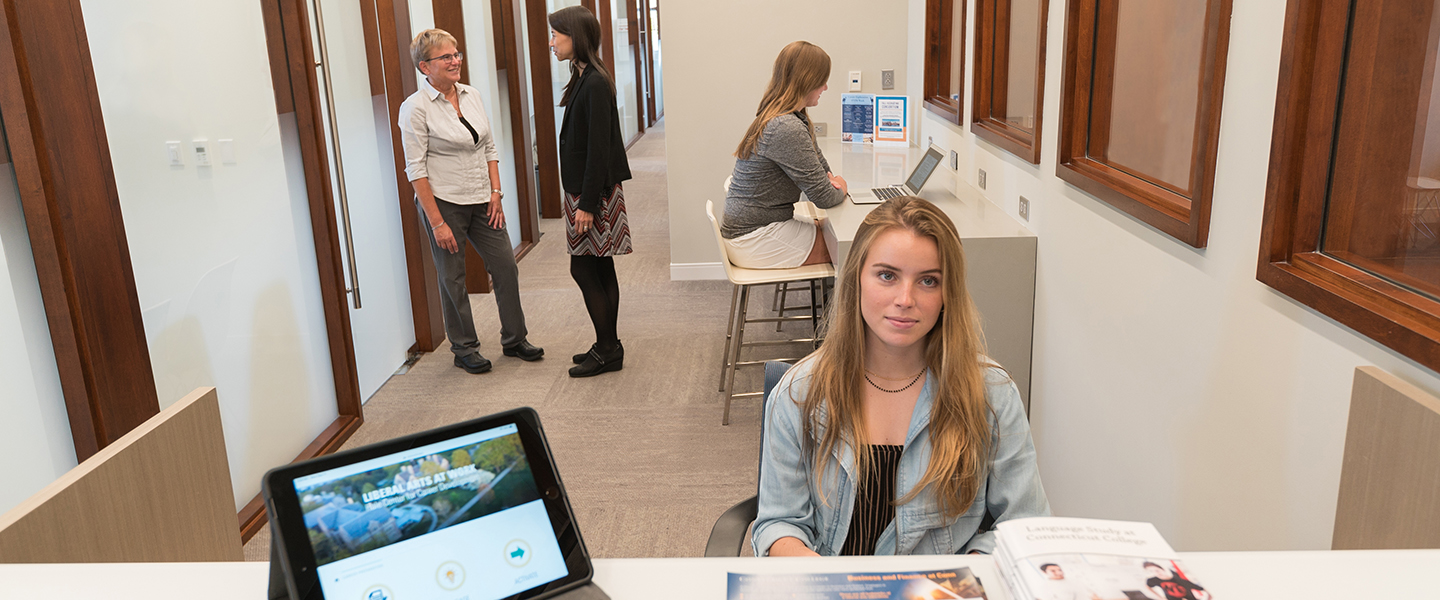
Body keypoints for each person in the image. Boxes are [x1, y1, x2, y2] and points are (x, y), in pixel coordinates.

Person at [752, 196, 1049, 556]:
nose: (905, 299)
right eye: (887, 275)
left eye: (928, 281)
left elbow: (1025, 525)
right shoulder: (800, 392)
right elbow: (779, 523)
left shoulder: (991, 394)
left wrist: (957, 581)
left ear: (947, 294)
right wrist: (824, 582)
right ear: (857, 278)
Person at [399, 29, 543, 374]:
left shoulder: (472, 95)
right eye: (445, 57)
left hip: (483, 199)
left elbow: (489, 147)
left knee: (505, 266)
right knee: (453, 277)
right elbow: (415, 170)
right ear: (424, 66)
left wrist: (496, 193)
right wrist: (437, 222)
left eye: (457, 54)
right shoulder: (415, 108)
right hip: (444, 202)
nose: (455, 61)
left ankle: (515, 338)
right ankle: (464, 348)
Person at [548, 6, 633, 378]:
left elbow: (599, 148)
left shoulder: (595, 82)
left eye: (556, 35)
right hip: (588, 190)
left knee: (583, 268)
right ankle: (606, 344)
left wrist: (585, 205)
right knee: (599, 265)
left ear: (575, 37)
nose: (552, 43)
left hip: (592, 193)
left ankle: (608, 347)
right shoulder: (584, 75)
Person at [722, 41, 848, 269]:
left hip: (761, 226)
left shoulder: (792, 118)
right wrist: (842, 186)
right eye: (822, 80)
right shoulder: (785, 126)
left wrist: (829, 183)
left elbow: (823, 171)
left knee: (840, 236)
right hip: (754, 237)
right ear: (807, 80)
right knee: (854, 248)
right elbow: (825, 197)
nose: (826, 87)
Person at [1141, 561, 1209, 600]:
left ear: (1162, 568)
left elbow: (1199, 588)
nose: (1156, 573)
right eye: (1151, 571)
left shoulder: (1177, 577)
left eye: (1157, 570)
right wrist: (1160, 597)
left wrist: (1208, 595)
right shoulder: (1154, 580)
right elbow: (1147, 586)